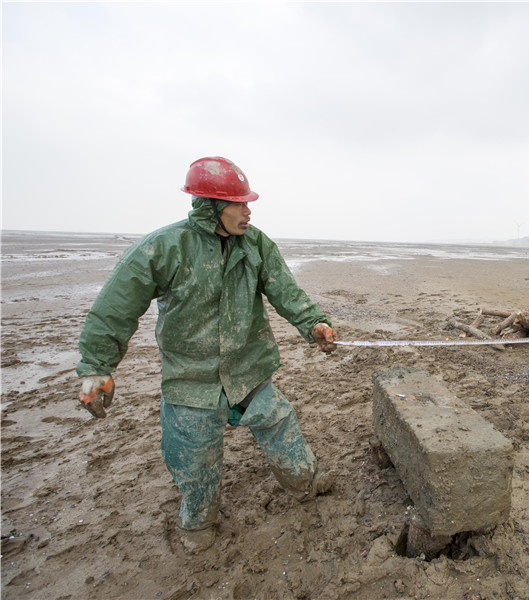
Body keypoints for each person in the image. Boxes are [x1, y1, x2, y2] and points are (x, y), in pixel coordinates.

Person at [75, 156, 339, 553]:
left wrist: (313, 324)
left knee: (281, 424)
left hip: (248, 368)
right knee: (195, 460)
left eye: (249, 204)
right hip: (190, 379)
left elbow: (286, 291)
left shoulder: (257, 244)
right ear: (211, 204)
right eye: (240, 204)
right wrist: (97, 369)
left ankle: (306, 485)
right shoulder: (163, 247)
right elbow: (114, 309)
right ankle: (198, 525)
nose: (248, 212)